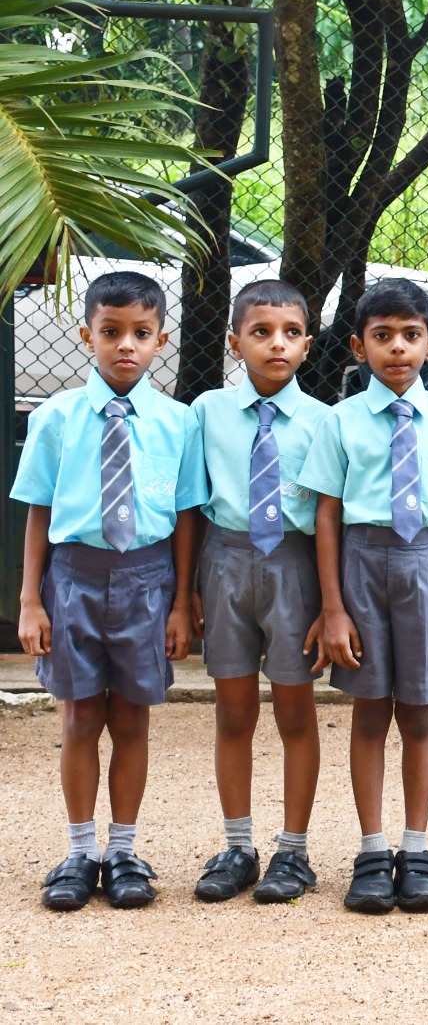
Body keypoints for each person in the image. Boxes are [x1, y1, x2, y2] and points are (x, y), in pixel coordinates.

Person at [13, 271, 206, 911]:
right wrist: (30, 600)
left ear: (161, 341)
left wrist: (181, 601)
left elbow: (185, 517)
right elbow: (38, 510)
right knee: (79, 718)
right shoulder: (55, 418)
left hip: (148, 582)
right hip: (72, 578)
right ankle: (79, 851)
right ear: (86, 335)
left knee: (131, 718)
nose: (126, 345)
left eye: (141, 334)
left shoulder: (178, 423)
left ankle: (122, 851)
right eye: (111, 332)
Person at [298, 279, 428, 915]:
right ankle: (373, 851)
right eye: (382, 337)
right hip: (364, 566)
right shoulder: (340, 421)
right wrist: (333, 607)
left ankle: (417, 848)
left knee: (421, 713)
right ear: (358, 345)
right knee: (370, 709)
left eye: (410, 336)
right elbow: (326, 515)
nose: (396, 349)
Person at [189, 281, 331, 905]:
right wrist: (183, 592)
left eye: (291, 333)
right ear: (234, 342)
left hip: (295, 567)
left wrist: (332, 605)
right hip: (224, 560)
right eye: (261, 332)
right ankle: (238, 845)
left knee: (296, 711)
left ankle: (293, 851)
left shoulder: (325, 420)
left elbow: (334, 520)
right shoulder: (206, 412)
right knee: (234, 710)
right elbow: (191, 506)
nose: (277, 344)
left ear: (308, 341)